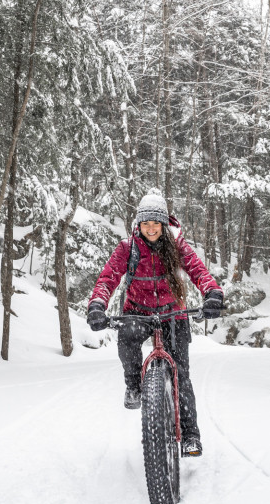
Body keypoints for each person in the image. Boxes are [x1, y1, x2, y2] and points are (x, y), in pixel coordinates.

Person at [86, 190, 224, 457]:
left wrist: (213, 293)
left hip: (173, 314)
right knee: (127, 339)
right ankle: (134, 386)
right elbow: (107, 279)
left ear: (164, 224)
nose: (150, 228)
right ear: (138, 224)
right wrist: (97, 305)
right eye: (145, 223)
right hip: (138, 312)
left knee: (181, 375)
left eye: (156, 223)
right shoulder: (127, 248)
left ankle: (190, 435)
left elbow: (198, 271)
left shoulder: (177, 246)